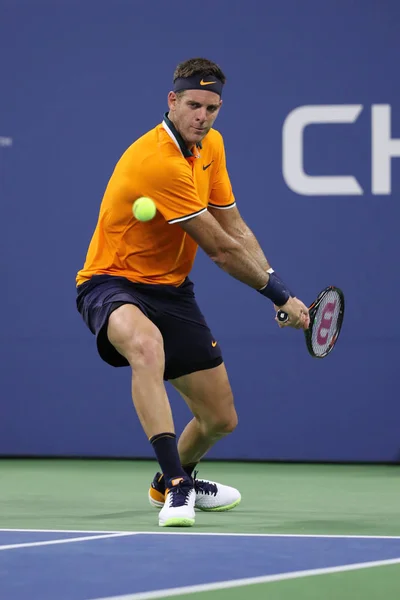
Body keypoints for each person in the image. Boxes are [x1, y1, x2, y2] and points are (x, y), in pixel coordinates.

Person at [76, 57, 310, 528]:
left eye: (212, 107)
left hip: (172, 292)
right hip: (111, 282)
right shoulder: (157, 161)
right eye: (193, 105)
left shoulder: (211, 147)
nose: (202, 116)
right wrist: (278, 296)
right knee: (146, 347)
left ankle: (170, 479)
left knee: (220, 419)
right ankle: (178, 487)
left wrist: (276, 281)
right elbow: (220, 250)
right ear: (172, 101)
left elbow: (234, 225)